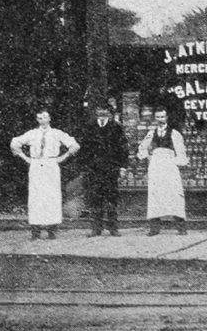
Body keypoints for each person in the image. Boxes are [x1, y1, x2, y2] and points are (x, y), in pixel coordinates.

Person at [10, 110, 80, 239]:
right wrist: (25, 158)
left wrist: (63, 157)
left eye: (45, 117)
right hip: (36, 165)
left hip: (51, 164)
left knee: (51, 196)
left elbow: (74, 145)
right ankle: (35, 230)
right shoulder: (32, 134)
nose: (43, 120)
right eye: (40, 118)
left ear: (49, 119)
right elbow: (15, 143)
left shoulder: (56, 133)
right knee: (36, 197)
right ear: (37, 120)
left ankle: (51, 230)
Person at [81, 102, 129, 236]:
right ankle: (96, 228)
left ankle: (113, 228)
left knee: (111, 198)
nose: (102, 115)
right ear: (96, 112)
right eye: (99, 112)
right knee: (95, 198)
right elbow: (85, 149)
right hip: (94, 169)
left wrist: (123, 167)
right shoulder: (90, 127)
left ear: (109, 113)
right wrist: (86, 166)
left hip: (111, 168)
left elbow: (123, 149)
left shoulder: (116, 127)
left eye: (105, 113)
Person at [137, 108, 188, 235]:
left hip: (169, 166)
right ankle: (154, 228)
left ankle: (181, 227)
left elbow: (181, 151)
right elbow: (142, 146)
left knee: (174, 194)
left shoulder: (174, 133)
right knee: (155, 195)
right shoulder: (151, 132)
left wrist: (175, 161)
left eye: (162, 117)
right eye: (158, 117)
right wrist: (148, 156)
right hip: (156, 166)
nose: (160, 120)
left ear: (167, 118)